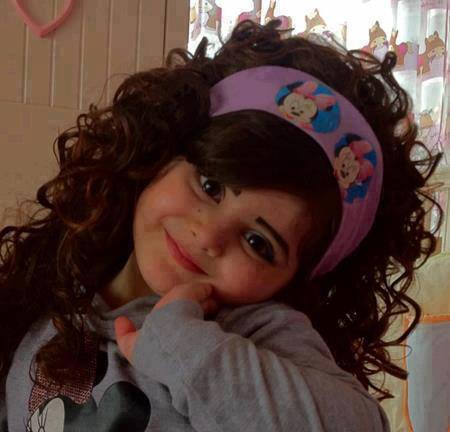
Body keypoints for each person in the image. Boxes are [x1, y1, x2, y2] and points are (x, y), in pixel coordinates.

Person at [0, 19, 443, 431]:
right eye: (210, 185)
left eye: (258, 242)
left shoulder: (257, 332)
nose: (210, 235)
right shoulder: (59, 282)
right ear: (160, 154)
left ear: (293, 280)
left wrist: (179, 343)